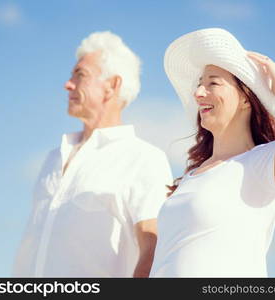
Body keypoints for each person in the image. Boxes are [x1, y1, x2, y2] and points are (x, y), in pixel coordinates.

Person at [149, 28, 275, 277]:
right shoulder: (191, 176)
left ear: (245, 99)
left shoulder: (262, 163)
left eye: (213, 83)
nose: (198, 93)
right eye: (199, 85)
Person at [12, 31, 173, 277]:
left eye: (80, 75)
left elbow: (153, 250)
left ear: (112, 85)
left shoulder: (144, 159)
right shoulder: (52, 159)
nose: (68, 84)